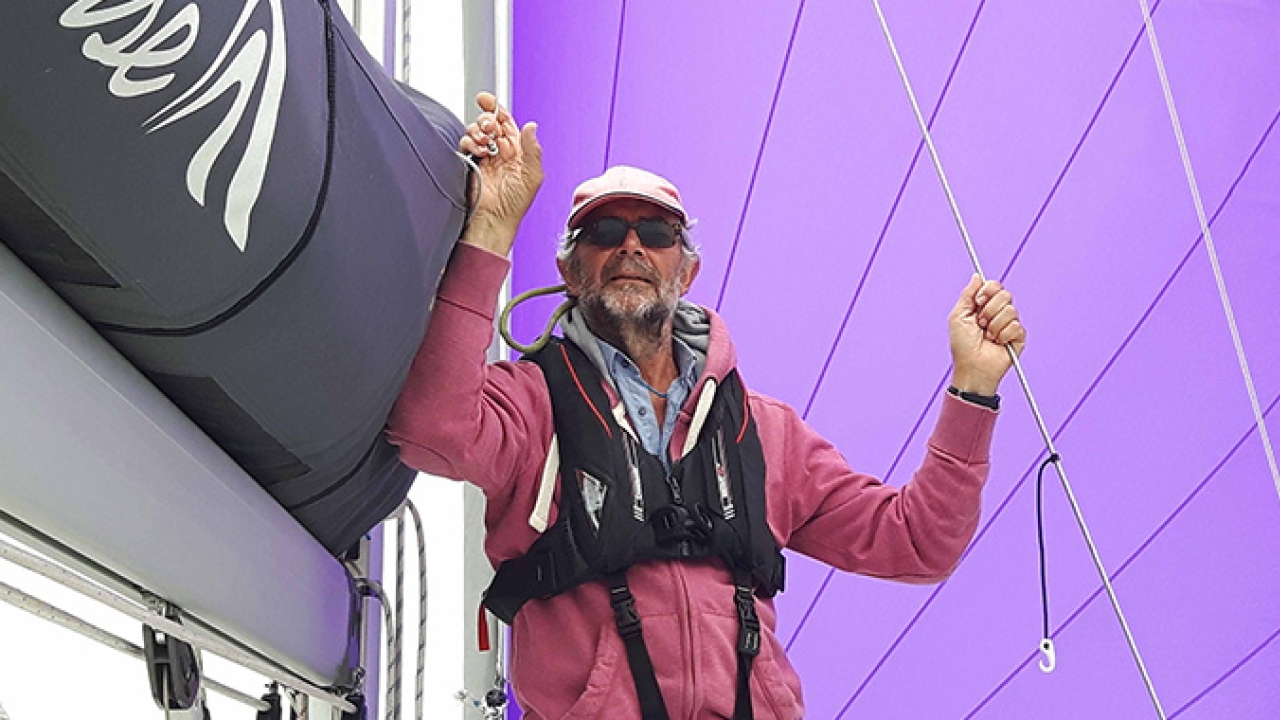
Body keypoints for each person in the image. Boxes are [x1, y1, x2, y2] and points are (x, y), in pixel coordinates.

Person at [386, 92, 1027, 720]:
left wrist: (973, 389)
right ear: (570, 268)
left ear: (686, 271)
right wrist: (493, 227)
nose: (630, 246)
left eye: (657, 232)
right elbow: (430, 430)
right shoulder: (531, 405)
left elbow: (918, 544)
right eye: (605, 231)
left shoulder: (765, 431)